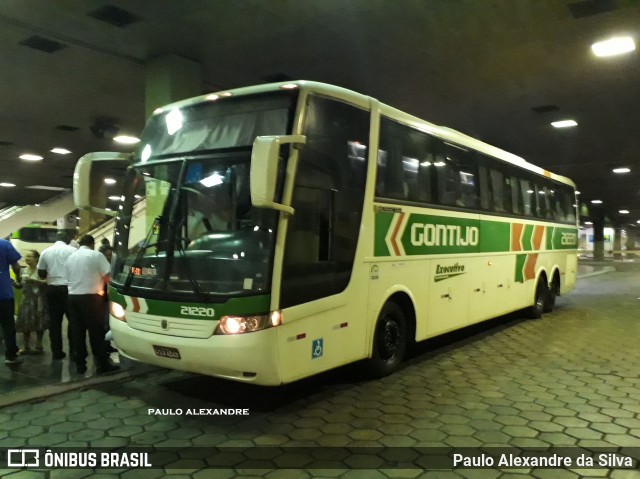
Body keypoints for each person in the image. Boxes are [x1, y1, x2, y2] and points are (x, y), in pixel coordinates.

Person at [65, 234, 118, 375]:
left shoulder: (71, 257)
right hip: (91, 298)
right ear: (92, 244)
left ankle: (80, 365)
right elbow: (108, 276)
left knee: (77, 332)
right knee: (96, 332)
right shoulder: (96, 256)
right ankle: (102, 364)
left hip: (72, 297)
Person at [37, 230, 77, 360]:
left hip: (52, 289)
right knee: (73, 320)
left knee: (54, 323)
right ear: (67, 239)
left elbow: (41, 273)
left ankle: (57, 352)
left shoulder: (45, 252)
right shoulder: (73, 251)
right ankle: (74, 350)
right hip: (69, 289)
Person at [15, 250, 49, 354]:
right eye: (26, 257)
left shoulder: (41, 271)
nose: (27, 258)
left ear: (36, 259)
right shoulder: (23, 270)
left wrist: (34, 281)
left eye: (29, 256)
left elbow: (47, 282)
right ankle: (26, 346)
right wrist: (17, 284)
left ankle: (39, 345)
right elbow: (20, 283)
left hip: (38, 299)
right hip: (26, 300)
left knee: (39, 322)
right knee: (25, 322)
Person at [0, 238, 23, 365]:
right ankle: (11, 356)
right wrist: (18, 279)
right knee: (8, 325)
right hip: (3, 293)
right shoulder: (4, 244)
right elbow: (16, 266)